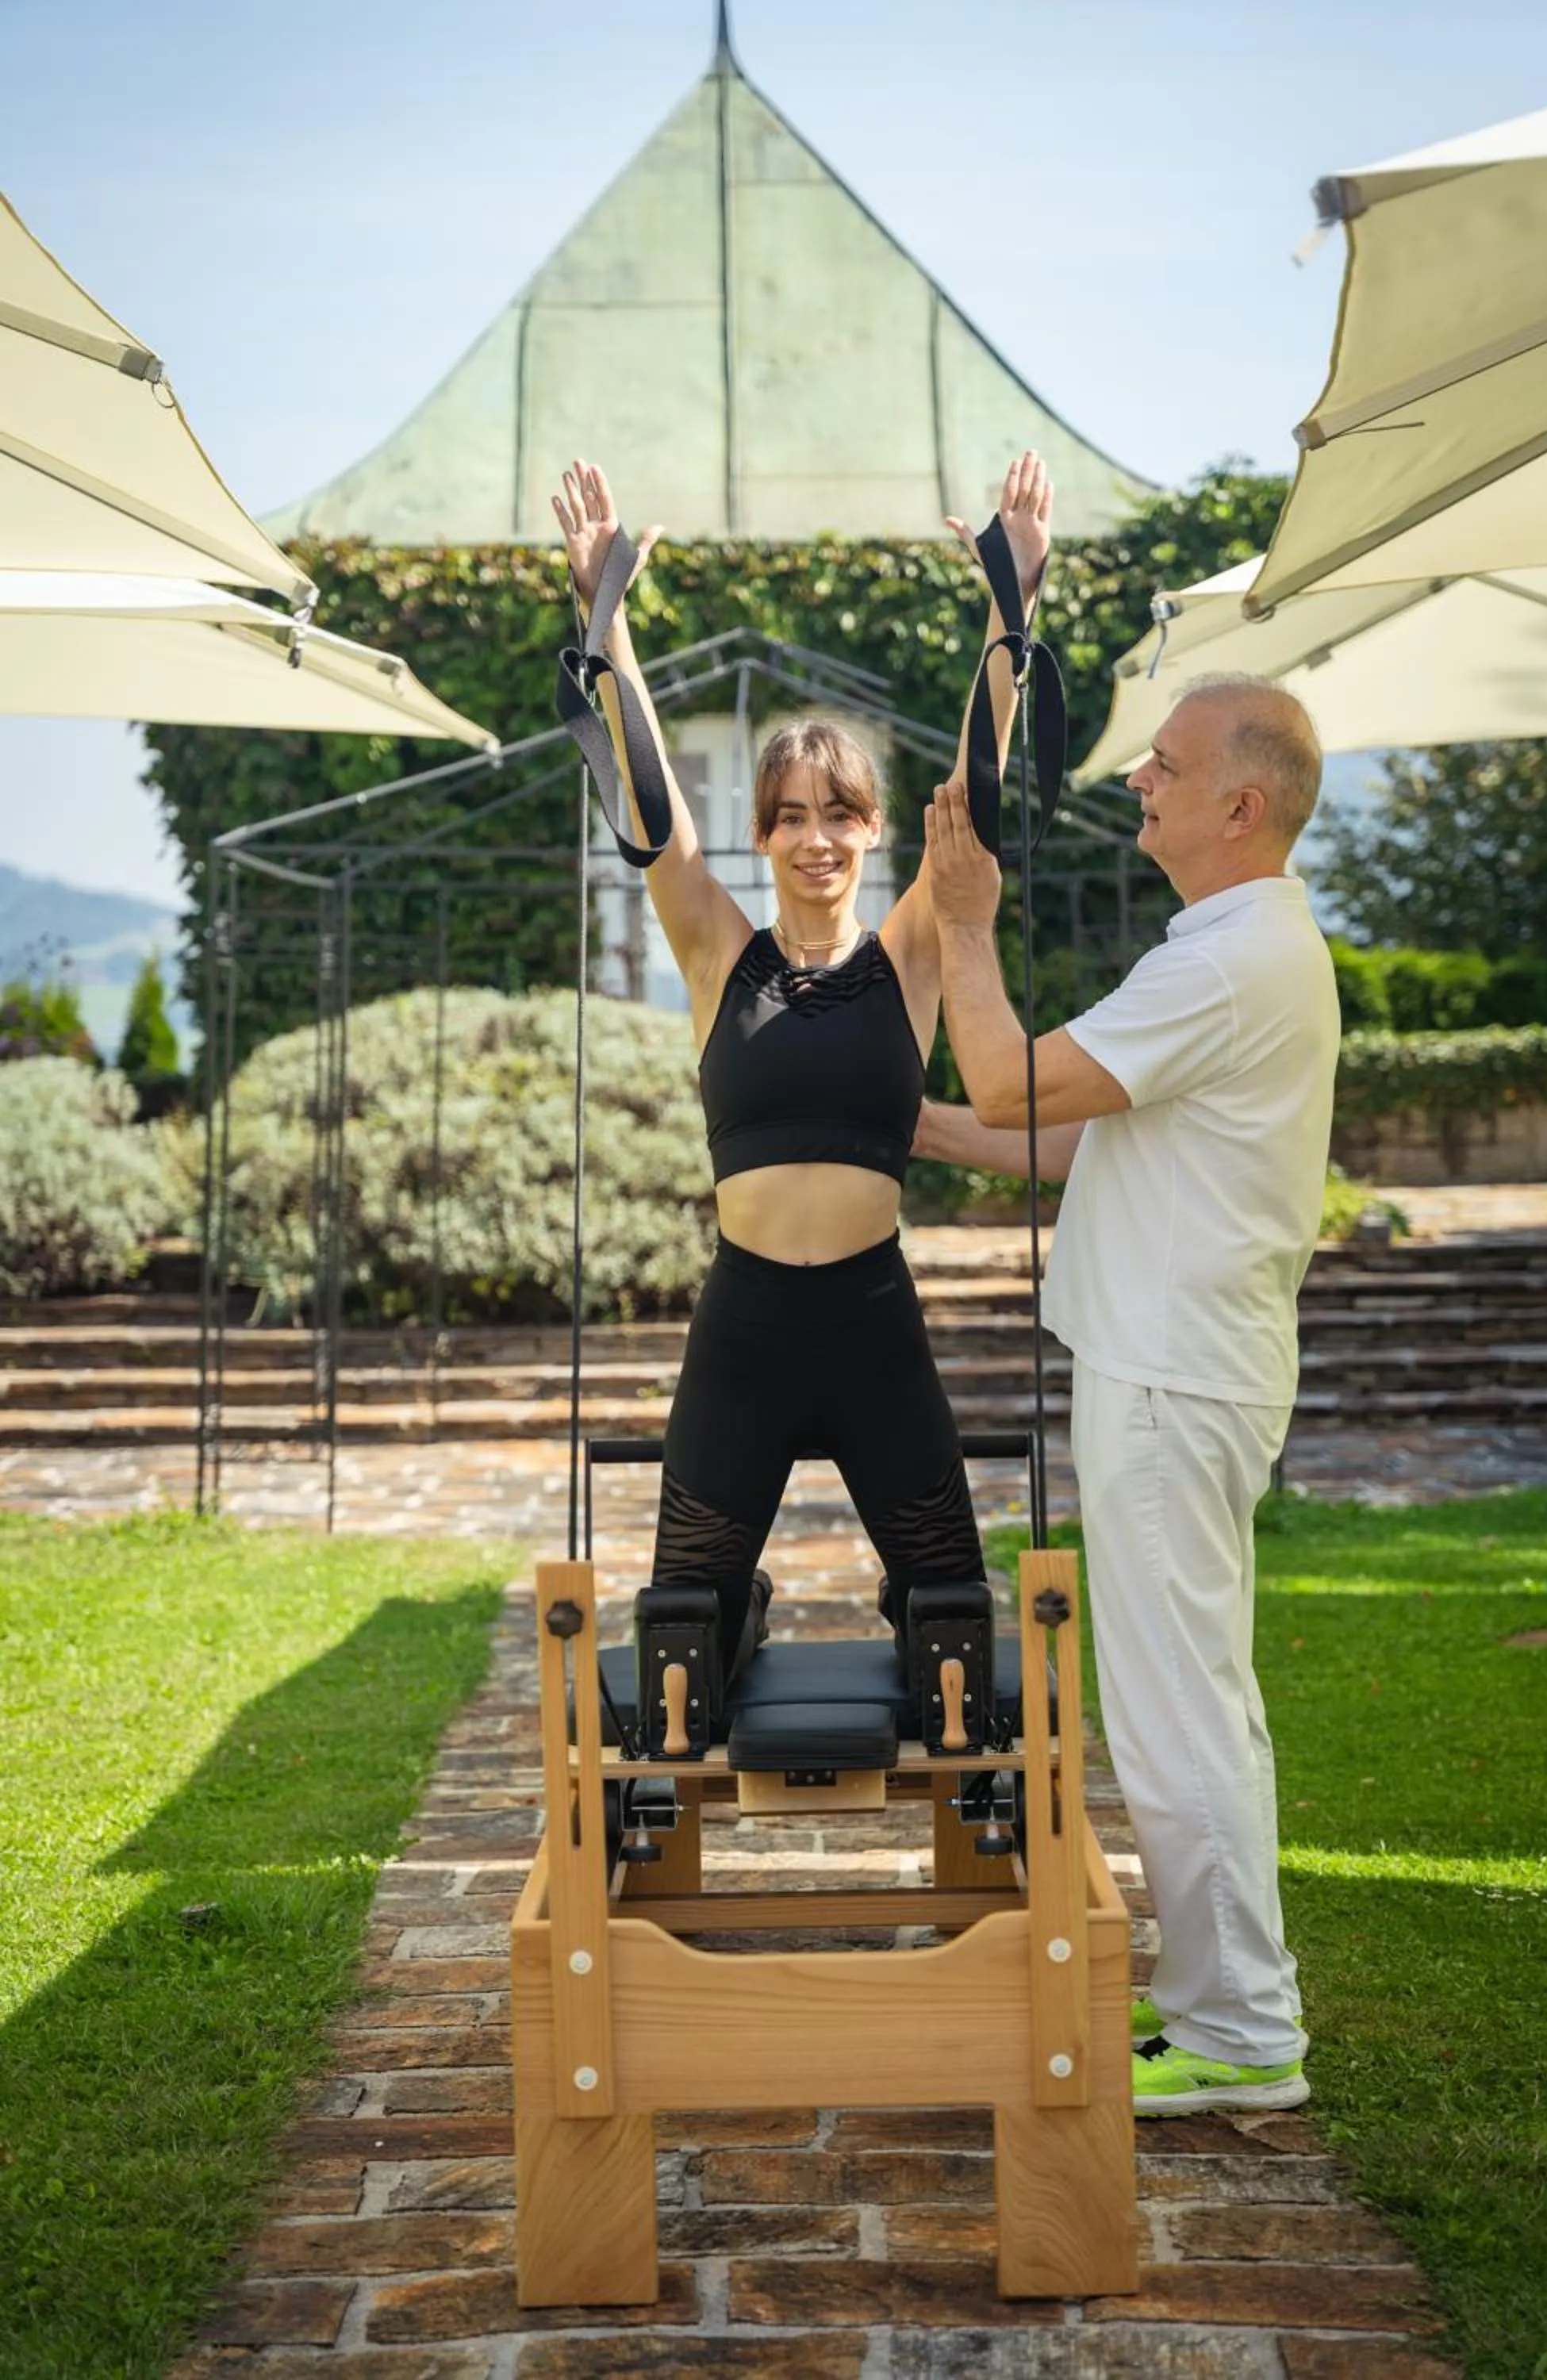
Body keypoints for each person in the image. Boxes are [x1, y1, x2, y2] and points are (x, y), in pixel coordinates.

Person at [919, 673, 1339, 2117]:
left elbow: (1015, 1077)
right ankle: (1229, 2009)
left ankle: (1237, 2038)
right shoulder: (1233, 948)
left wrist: (965, 928)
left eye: (1162, 768)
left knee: (1172, 1716)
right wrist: (900, 1120)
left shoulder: (1227, 962)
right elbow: (1067, 1142)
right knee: (1197, 1701)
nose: (1136, 784)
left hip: (1170, 1378)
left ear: (1241, 803)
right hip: (1179, 1371)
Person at [551, 453, 1048, 1676]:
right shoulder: (722, 954)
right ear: (765, 833)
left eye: (840, 813)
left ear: (874, 828)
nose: (816, 838)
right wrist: (599, 622)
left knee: (952, 1625)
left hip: (876, 1320)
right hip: (749, 1327)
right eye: (790, 816)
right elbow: (654, 812)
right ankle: (736, 1629)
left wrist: (1010, 607)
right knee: (682, 1642)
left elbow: (976, 797)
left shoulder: (913, 952)